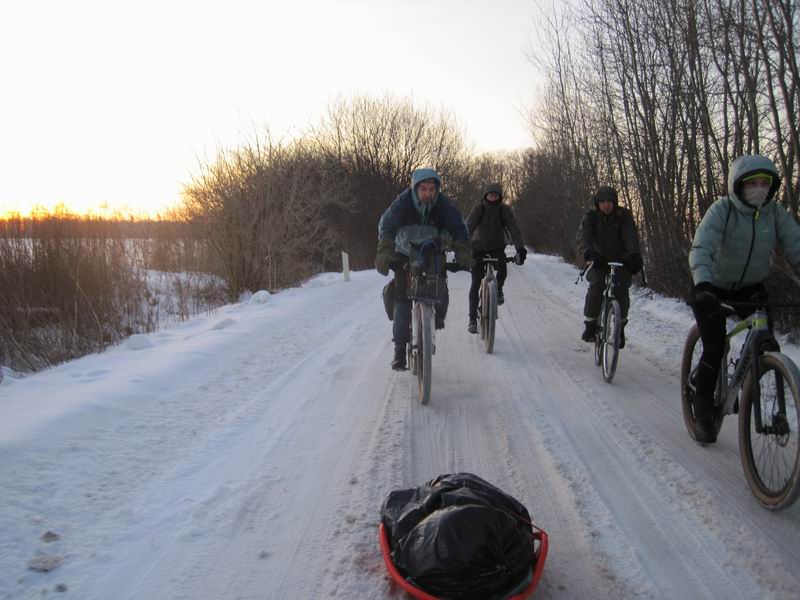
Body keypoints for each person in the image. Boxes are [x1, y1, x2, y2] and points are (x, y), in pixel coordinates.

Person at [688, 154, 800, 443]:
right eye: (753, 183)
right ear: (738, 185)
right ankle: (702, 411)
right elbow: (702, 247)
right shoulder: (722, 210)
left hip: (750, 287)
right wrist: (702, 284)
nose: (760, 188)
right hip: (712, 287)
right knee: (713, 346)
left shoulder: (774, 213)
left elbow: (796, 244)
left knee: (766, 341)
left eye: (766, 183)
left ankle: (760, 395)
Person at [375, 168, 475, 370]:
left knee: (440, 289)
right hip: (405, 251)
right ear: (415, 188)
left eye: (432, 189)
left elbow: (459, 229)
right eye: (424, 189)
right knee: (402, 298)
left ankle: (435, 318)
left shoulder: (443, 204)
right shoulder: (403, 203)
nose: (428, 193)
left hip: (432, 251)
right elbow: (386, 226)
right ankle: (399, 350)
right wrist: (385, 252)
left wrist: (463, 252)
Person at [576, 185, 643, 347]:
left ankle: (620, 327)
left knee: (621, 290)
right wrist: (589, 253)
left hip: (620, 261)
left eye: (609, 201)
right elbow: (583, 237)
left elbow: (630, 237)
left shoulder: (624, 216)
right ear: (597, 203)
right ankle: (591, 326)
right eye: (602, 201)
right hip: (598, 260)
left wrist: (633, 255)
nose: (606, 205)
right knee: (597, 286)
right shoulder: (591, 217)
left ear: (615, 202)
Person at [465, 183, 527, 334]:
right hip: (478, 248)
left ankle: (498, 290)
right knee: (475, 282)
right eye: (490, 194)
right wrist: (462, 245)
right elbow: (468, 226)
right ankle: (472, 320)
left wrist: (520, 248)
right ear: (485, 196)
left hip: (497, 248)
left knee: (503, 269)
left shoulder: (504, 210)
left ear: (500, 196)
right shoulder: (479, 208)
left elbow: (513, 229)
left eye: (496, 195)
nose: (493, 197)